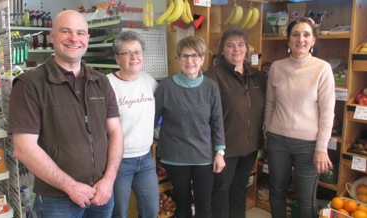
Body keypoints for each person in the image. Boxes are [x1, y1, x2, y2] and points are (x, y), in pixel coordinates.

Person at [7, 10, 124, 218]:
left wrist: (109, 179)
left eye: (80, 32)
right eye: (65, 31)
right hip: (57, 200)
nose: (74, 38)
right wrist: (70, 186)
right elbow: (23, 148)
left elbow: (115, 132)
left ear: (87, 38)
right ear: (51, 36)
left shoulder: (101, 81)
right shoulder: (29, 84)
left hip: (101, 194)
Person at [264, 17, 335, 218]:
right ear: (288, 40)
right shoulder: (277, 67)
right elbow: (270, 103)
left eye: (306, 34)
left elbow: (327, 112)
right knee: (277, 190)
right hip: (277, 140)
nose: (300, 39)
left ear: (313, 40)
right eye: (295, 34)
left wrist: (322, 148)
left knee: (305, 198)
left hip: (308, 145)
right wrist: (267, 132)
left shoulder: (322, 69)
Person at [154, 35, 226, 218]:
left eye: (195, 55)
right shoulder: (166, 87)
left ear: (202, 59)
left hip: (203, 157)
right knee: (183, 206)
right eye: (184, 56)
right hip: (175, 157)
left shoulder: (211, 87)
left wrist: (220, 152)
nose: (189, 60)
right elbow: (152, 119)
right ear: (178, 59)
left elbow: (217, 121)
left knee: (204, 207)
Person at [206, 28, 266, 218]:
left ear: (247, 48)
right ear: (222, 50)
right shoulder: (212, 77)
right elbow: (206, 117)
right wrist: (217, 149)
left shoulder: (258, 77)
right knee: (220, 191)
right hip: (224, 149)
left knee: (240, 187)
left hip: (249, 147)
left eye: (240, 45)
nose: (236, 49)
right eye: (230, 45)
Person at [107, 30, 159, 218]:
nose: (134, 57)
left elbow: (159, 114)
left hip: (145, 159)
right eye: (127, 53)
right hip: (118, 161)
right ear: (117, 58)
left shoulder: (149, 81)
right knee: (119, 212)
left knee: (151, 210)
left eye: (137, 52)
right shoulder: (107, 85)